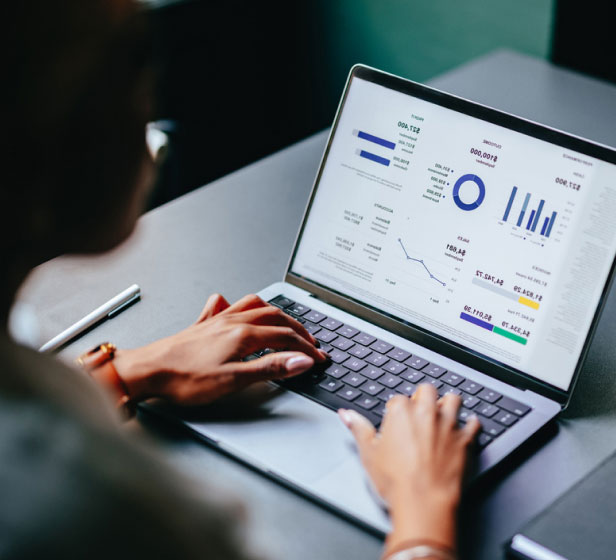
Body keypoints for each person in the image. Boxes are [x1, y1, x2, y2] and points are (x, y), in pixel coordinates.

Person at [0, 1, 480, 559]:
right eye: (135, 57)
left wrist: (124, 371)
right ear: (49, 139)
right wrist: (423, 519)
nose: (154, 95)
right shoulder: (97, 509)